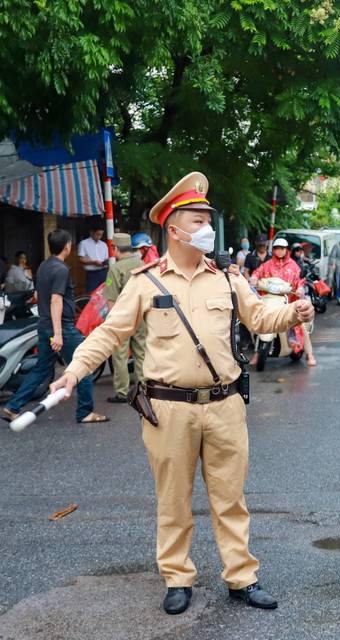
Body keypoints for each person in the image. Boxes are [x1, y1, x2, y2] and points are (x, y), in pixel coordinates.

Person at [50, 172, 314, 615]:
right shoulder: (146, 282)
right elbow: (110, 333)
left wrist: (293, 311)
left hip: (226, 404)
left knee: (231, 498)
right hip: (168, 408)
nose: (207, 225)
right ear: (174, 229)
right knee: (173, 500)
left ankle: (241, 577)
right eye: (198, 218)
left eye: (208, 217)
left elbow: (261, 319)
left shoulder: (228, 279)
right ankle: (177, 577)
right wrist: (74, 372)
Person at [3, 230, 106, 423]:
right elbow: (56, 300)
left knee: (42, 368)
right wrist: (58, 333)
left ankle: (13, 405)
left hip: (44, 326)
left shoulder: (43, 266)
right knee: (83, 367)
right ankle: (85, 412)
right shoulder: (61, 270)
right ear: (67, 246)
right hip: (62, 329)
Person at [250, 238, 316, 367]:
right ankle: (257, 353)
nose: (280, 251)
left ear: (286, 250)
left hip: (288, 299)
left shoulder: (293, 265)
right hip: (269, 298)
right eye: (277, 248)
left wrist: (300, 288)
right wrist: (253, 278)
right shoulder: (267, 264)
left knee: (299, 323)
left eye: (282, 248)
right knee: (255, 320)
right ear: (273, 250)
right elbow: (257, 272)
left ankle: (309, 354)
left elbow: (299, 280)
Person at [103, 233, 147, 403]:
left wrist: (110, 323)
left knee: (120, 355)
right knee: (141, 352)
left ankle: (122, 392)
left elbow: (111, 299)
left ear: (115, 249)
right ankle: (143, 388)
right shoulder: (142, 264)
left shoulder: (115, 269)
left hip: (123, 318)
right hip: (141, 315)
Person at [77, 226, 110, 292]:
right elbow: (80, 259)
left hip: (104, 272)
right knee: (92, 294)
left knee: (106, 292)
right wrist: (93, 262)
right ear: (92, 233)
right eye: (97, 234)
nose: (99, 237)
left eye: (101, 235)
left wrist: (105, 262)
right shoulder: (84, 243)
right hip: (92, 274)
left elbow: (107, 258)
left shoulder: (103, 245)